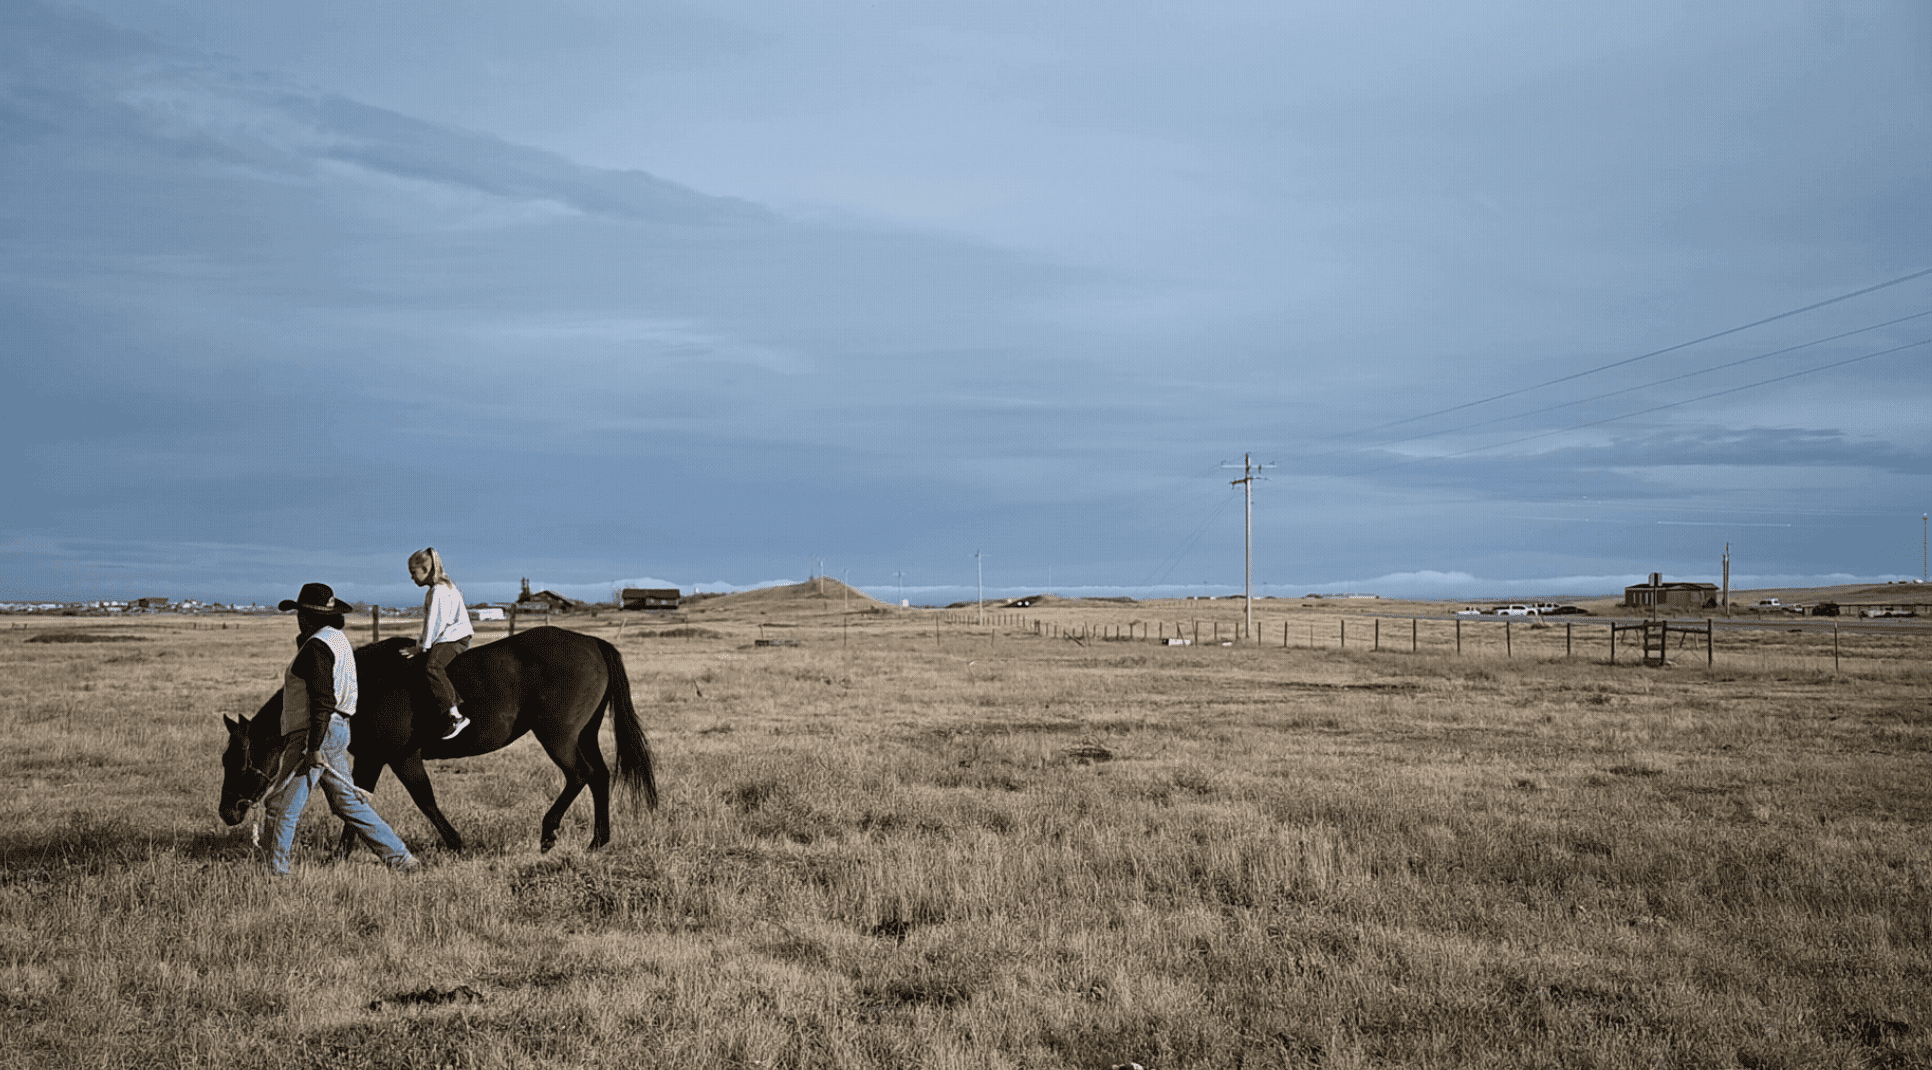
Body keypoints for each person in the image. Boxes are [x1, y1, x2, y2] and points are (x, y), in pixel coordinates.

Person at [262, 582, 419, 876]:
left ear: (306, 616)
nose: (298, 618)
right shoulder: (337, 640)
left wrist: (314, 747)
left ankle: (275, 873)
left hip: (314, 732)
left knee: (282, 804)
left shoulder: (316, 648)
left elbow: (323, 700)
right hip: (337, 729)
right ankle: (402, 860)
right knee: (347, 803)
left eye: (300, 613)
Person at [405, 547, 475, 739]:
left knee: (432, 667)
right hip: (450, 636)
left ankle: (455, 715)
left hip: (454, 637)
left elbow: (435, 623)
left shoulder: (439, 591)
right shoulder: (440, 588)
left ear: (426, 569)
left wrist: (421, 647)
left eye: (413, 572)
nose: (412, 577)